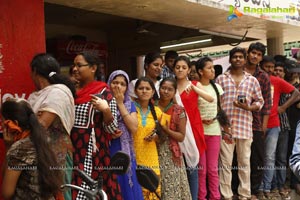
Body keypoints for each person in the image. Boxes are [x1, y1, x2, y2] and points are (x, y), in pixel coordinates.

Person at [70, 51, 122, 200]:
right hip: (70, 151)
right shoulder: (70, 91)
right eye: (73, 65)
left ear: (93, 68)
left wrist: (105, 110)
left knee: (88, 193)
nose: (74, 68)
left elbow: (111, 129)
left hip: (91, 155)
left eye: (79, 65)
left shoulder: (104, 93)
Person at [216, 47, 264, 200]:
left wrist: (249, 107)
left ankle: (244, 194)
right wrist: (223, 124)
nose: (237, 59)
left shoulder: (252, 80)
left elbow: (260, 101)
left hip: (244, 127)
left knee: (244, 164)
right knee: (225, 164)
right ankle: (226, 195)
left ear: (245, 60)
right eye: (235, 57)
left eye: (240, 57)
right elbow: (216, 103)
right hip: (226, 128)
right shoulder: (221, 79)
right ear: (230, 60)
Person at [27, 53, 75, 200]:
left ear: (35, 71)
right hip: (38, 151)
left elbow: (42, 124)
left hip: (56, 153)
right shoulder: (37, 95)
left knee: (58, 192)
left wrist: (31, 119)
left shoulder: (58, 92)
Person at [1, 98, 63, 199]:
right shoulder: (43, 140)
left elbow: (6, 193)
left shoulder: (19, 149)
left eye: (3, 123)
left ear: (14, 124)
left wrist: (9, 147)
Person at [258, 56, 300, 199]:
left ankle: (269, 187)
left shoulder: (277, 81)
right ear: (261, 66)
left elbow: (296, 93)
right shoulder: (254, 80)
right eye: (267, 67)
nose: (270, 70)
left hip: (276, 124)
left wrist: (283, 107)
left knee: (272, 157)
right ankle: (262, 187)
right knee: (259, 158)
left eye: (272, 67)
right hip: (257, 125)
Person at [173, 55, 214, 200]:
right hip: (177, 129)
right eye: (177, 67)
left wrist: (195, 89)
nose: (180, 70)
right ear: (173, 69)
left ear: (189, 69)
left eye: (184, 67)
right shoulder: (170, 86)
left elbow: (210, 98)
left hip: (194, 129)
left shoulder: (195, 84)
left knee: (193, 168)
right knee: (179, 168)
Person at [107, 70, 144, 200]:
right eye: (115, 82)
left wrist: (120, 104)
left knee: (127, 187)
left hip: (125, 153)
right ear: (109, 84)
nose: (118, 86)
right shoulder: (102, 104)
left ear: (127, 88)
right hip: (107, 151)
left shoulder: (129, 105)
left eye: (122, 84)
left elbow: (133, 127)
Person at [243, 42, 272, 198]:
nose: (255, 56)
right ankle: (239, 189)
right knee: (238, 158)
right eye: (253, 53)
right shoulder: (237, 70)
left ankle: (255, 189)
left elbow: (267, 103)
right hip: (238, 122)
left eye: (259, 54)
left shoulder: (263, 77)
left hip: (256, 123)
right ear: (248, 53)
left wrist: (264, 127)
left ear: (261, 58)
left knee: (258, 157)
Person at [156, 77, 192, 200]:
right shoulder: (151, 106)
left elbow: (181, 137)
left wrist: (167, 130)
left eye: (169, 89)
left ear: (174, 92)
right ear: (159, 89)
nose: (166, 91)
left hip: (170, 153)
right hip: (151, 149)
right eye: (163, 88)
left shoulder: (178, 111)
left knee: (171, 188)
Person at [196, 56, 223, 200]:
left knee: (213, 169)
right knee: (201, 170)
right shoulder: (194, 87)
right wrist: (200, 120)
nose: (213, 70)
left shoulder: (217, 88)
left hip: (214, 132)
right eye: (209, 68)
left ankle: (215, 197)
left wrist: (225, 127)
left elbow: (220, 110)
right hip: (199, 133)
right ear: (200, 71)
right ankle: (202, 197)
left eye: (213, 68)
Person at [132, 76, 164, 200]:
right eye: (141, 88)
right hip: (134, 157)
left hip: (151, 158)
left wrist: (156, 137)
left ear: (152, 92)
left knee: (153, 191)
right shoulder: (130, 109)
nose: (144, 91)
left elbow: (163, 137)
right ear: (135, 91)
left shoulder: (157, 112)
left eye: (147, 88)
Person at [271, 61, 292, 198]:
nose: (278, 72)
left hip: (283, 125)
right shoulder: (270, 84)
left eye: (281, 71)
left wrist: (283, 107)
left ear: (284, 73)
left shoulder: (286, 86)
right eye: (276, 70)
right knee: (270, 157)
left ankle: (282, 184)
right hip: (271, 125)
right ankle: (273, 186)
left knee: (281, 158)